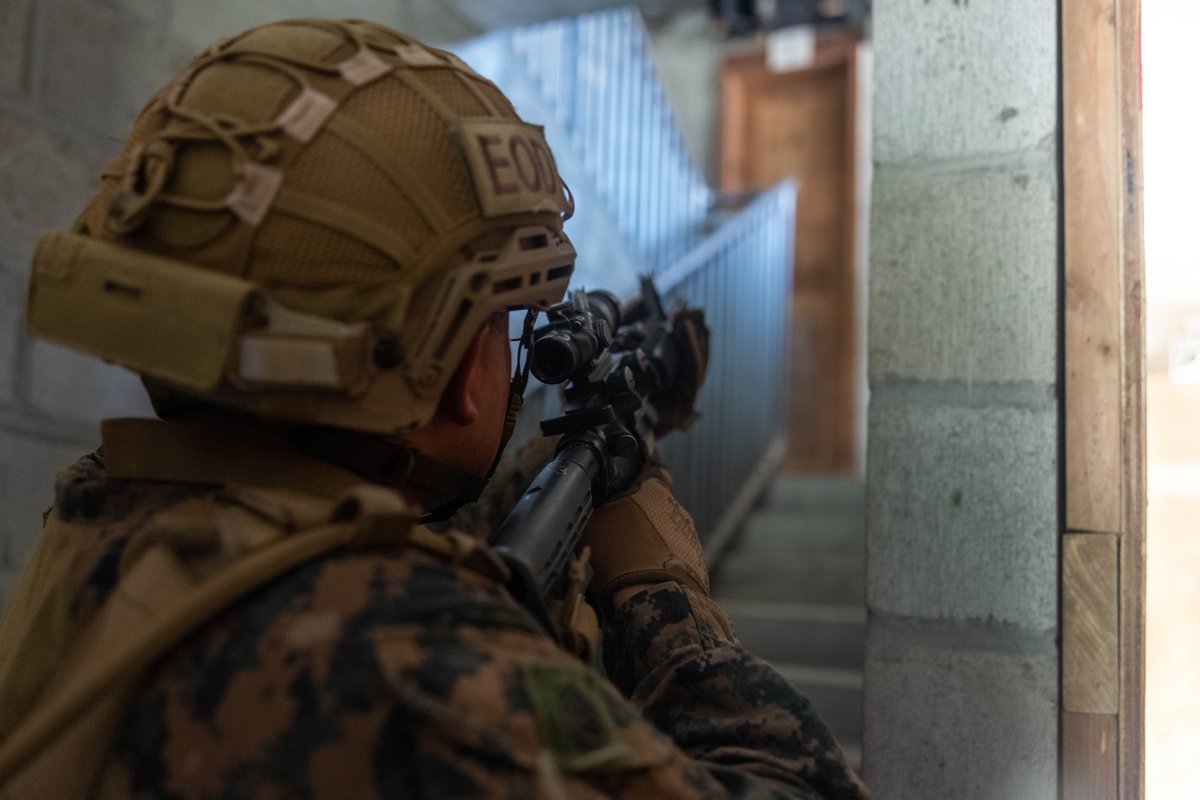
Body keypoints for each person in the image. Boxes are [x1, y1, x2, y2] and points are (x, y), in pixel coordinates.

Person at [0, 19, 870, 799]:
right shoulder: (414, 665)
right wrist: (664, 596)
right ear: (455, 374)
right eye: (505, 320)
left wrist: (554, 482)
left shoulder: (102, 516)